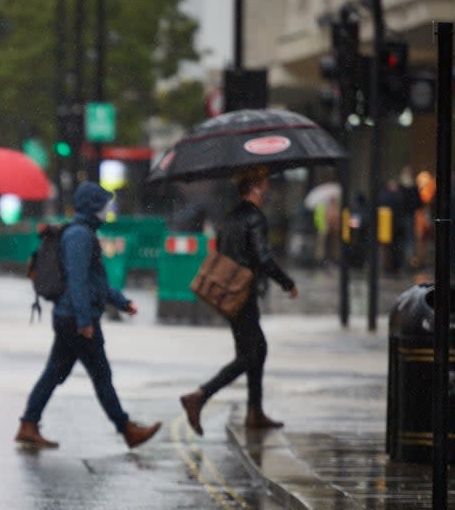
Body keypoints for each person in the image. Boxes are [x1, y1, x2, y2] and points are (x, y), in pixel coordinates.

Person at [15, 182, 162, 451]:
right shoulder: (80, 236)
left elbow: (95, 282)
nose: (109, 209)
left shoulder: (83, 233)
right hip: (75, 317)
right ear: (93, 206)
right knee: (100, 374)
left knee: (54, 373)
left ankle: (28, 423)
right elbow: (78, 281)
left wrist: (121, 301)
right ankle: (127, 429)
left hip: (70, 315)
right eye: (105, 204)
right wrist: (84, 321)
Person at [179, 169, 298, 436]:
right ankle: (199, 396)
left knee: (258, 348)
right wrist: (287, 282)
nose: (267, 190)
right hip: (243, 292)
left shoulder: (230, 217)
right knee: (248, 355)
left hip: (228, 292)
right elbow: (263, 257)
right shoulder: (255, 217)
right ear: (255, 187)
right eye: (265, 184)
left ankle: (254, 412)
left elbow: (223, 250)